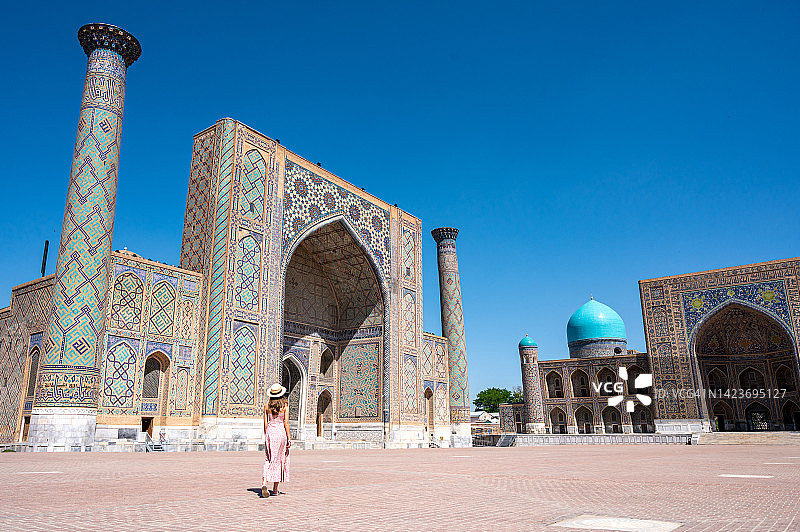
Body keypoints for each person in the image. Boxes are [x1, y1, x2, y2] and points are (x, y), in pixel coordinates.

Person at [262, 382, 291, 498]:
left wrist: (267, 435)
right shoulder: (285, 406)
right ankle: (275, 489)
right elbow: (286, 423)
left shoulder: (266, 406)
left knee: (269, 459)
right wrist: (289, 438)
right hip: (280, 433)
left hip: (270, 432)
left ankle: (264, 483)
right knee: (279, 459)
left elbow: (265, 423)